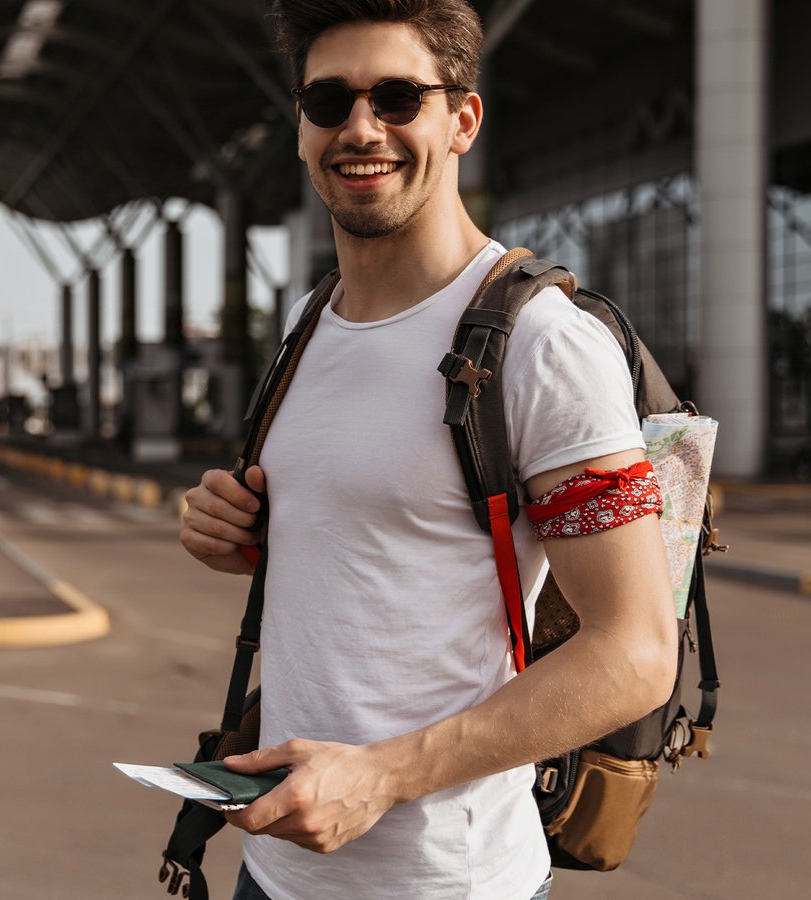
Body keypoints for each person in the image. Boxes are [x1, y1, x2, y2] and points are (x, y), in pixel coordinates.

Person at [178, 2, 678, 898]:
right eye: (328, 100)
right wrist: (241, 535)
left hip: (445, 883)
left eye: (399, 97)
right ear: (300, 129)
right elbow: (377, 546)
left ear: (462, 121)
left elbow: (635, 652)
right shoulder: (306, 325)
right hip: (275, 871)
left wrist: (382, 776)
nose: (361, 127)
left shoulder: (541, 347)